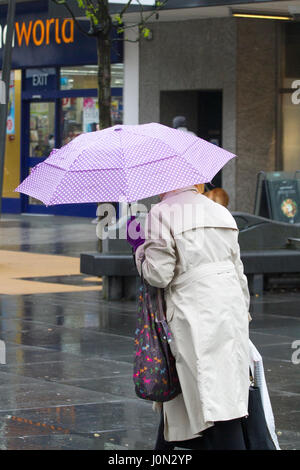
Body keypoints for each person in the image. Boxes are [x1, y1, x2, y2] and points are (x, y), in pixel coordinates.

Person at [127, 184, 251, 450]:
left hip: (191, 313)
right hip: (230, 309)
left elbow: (158, 275)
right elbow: (238, 270)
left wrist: (139, 250)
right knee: (221, 389)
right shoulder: (221, 212)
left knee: (209, 399)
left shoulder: (160, 213)